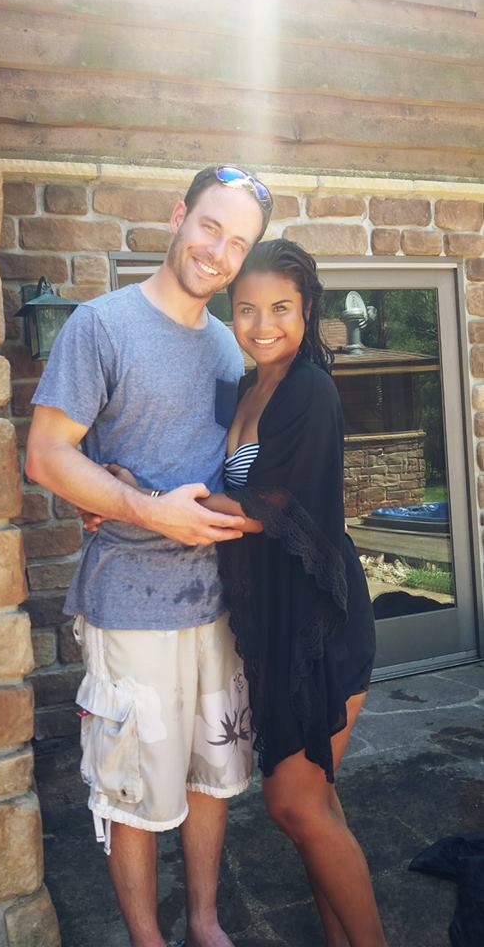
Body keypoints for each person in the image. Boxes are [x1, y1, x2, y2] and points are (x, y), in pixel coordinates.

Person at [25, 165, 273, 947]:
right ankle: (148, 939)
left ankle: (202, 922)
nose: (218, 251)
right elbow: (45, 456)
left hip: (217, 605)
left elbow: (244, 465)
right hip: (129, 605)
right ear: (177, 217)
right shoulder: (100, 326)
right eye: (209, 227)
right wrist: (137, 506)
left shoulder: (234, 352)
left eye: (238, 242)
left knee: (212, 777)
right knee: (131, 788)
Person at [213, 239, 387, 947]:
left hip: (320, 616)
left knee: (293, 802)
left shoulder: (308, 388)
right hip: (278, 619)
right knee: (313, 807)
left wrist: (163, 507)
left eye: (281, 307)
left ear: (307, 309)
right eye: (248, 308)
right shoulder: (251, 386)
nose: (263, 324)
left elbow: (274, 507)